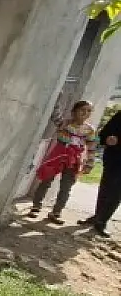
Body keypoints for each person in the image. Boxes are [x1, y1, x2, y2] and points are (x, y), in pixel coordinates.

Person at [28, 100, 99, 224]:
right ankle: (36, 206)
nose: (85, 113)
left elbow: (92, 148)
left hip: (73, 160)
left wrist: (89, 164)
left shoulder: (90, 130)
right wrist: (58, 97)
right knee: (46, 181)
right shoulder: (64, 124)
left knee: (66, 187)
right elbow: (55, 115)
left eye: (89, 111)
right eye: (82, 109)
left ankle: (56, 212)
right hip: (58, 156)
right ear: (74, 111)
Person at [79, 109, 120, 237]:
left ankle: (102, 222)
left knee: (116, 193)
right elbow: (104, 134)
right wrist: (108, 139)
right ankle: (97, 217)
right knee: (105, 189)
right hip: (113, 159)